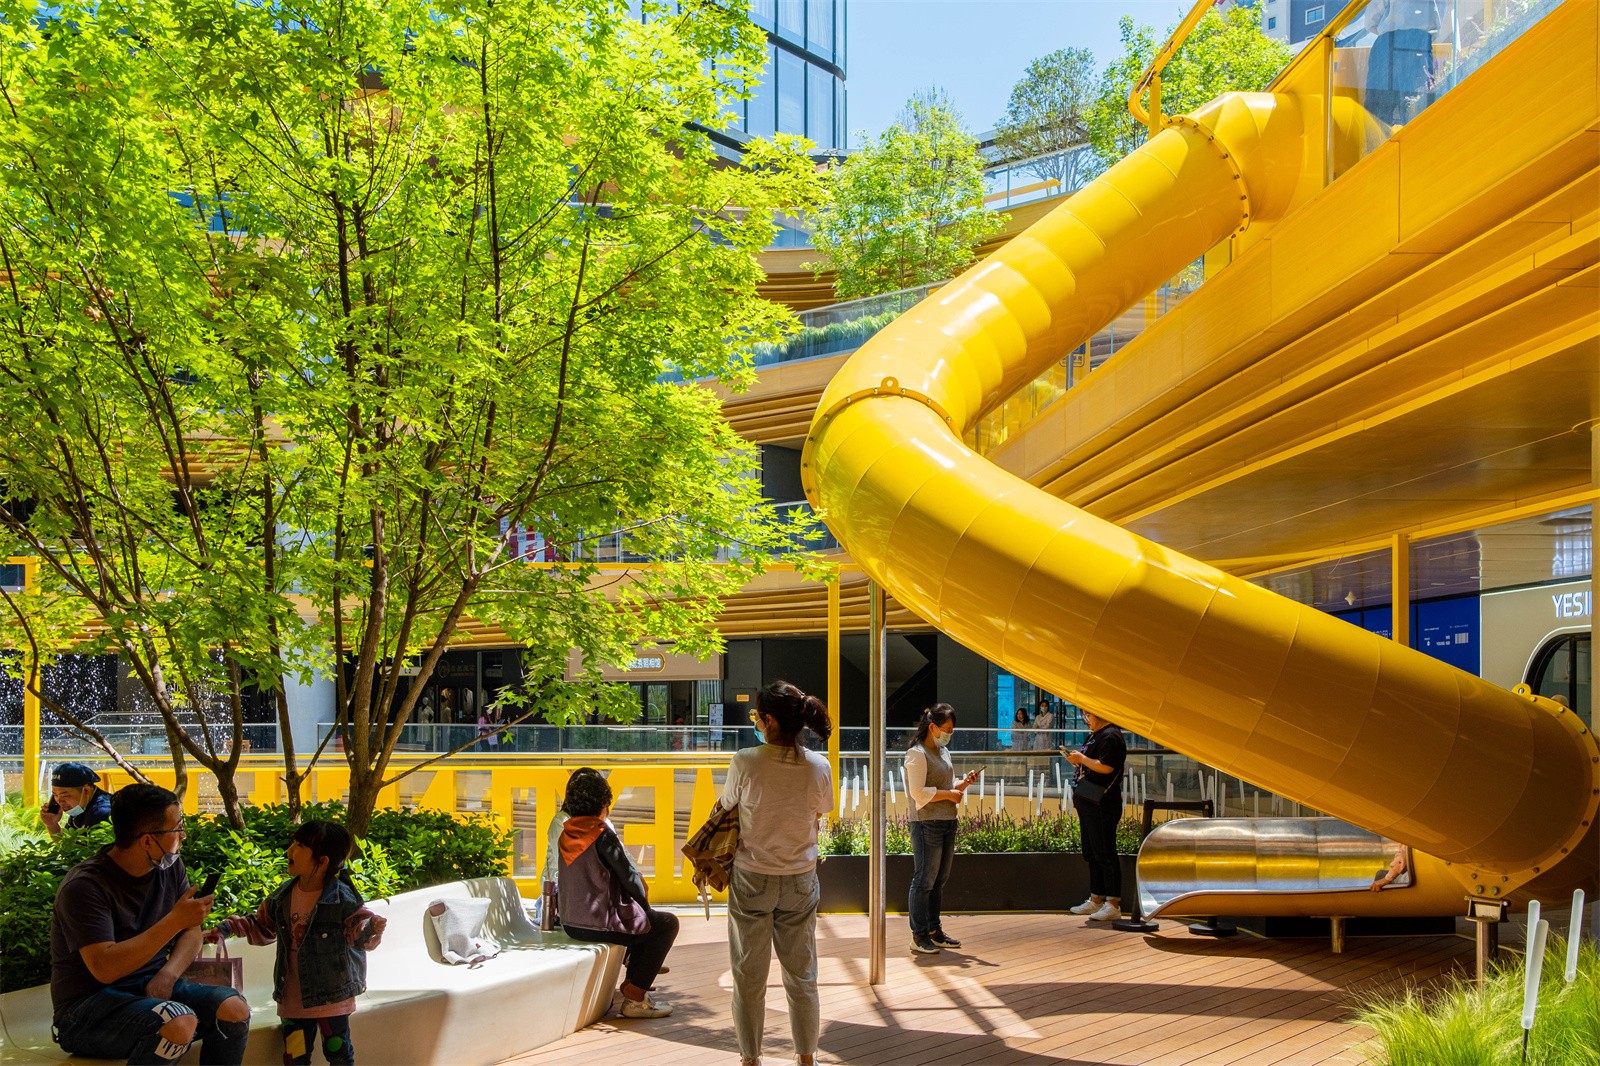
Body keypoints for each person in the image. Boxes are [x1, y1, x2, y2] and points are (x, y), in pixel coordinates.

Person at [49, 783, 250, 1065]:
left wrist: (168, 975)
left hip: (152, 986)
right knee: (177, 1022)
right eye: (177, 828)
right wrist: (175, 920)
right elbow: (105, 967)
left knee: (234, 1009)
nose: (183, 835)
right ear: (147, 841)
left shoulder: (169, 866)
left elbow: (191, 931)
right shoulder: (85, 886)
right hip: (87, 1010)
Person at [720, 680, 834, 1066]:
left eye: (757, 716)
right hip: (801, 877)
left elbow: (726, 804)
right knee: (802, 976)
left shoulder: (746, 761)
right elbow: (820, 812)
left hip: (752, 876)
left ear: (768, 720)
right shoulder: (819, 766)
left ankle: (750, 1059)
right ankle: (806, 1058)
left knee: (748, 978)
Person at [212, 820, 385, 1065]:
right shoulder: (283, 896)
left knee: (339, 1054)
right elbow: (261, 925)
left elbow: (356, 933)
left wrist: (371, 928)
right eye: (293, 842)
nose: (290, 850)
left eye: (300, 846)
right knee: (295, 1057)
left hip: (332, 998)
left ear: (322, 861)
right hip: (292, 1000)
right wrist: (226, 928)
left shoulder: (342, 898)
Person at [555, 769, 680, 1019]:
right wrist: (645, 908)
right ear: (603, 804)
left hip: (570, 924)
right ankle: (636, 996)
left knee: (645, 923)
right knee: (665, 923)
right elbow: (630, 878)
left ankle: (633, 984)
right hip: (598, 924)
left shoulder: (565, 834)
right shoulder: (601, 835)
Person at [903, 704, 979, 955]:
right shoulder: (916, 754)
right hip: (926, 823)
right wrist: (948, 794)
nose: (949, 734)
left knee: (938, 880)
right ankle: (919, 935)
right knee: (924, 879)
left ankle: (934, 930)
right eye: (946, 729)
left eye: (951, 730)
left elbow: (948, 785)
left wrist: (964, 783)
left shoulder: (943, 751)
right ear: (932, 727)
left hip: (947, 820)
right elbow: (917, 793)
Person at [1065, 709, 1127, 922]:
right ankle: (1096, 899)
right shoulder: (1096, 735)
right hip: (1089, 802)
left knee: (1105, 852)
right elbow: (1092, 763)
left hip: (1103, 803)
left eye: (1088, 716)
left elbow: (1106, 767)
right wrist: (1078, 760)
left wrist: (1081, 758)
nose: (1086, 720)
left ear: (1099, 714)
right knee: (1092, 852)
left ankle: (1113, 903)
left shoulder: (1111, 736)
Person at [1364, 0, 1442, 126]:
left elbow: (1371, 20)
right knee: (1417, 106)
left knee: (1379, 113)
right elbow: (1436, 20)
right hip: (1420, 42)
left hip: (1388, 42)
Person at [41, 761, 113, 838]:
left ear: (86, 790)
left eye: (65, 796)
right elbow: (66, 843)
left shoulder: (103, 812)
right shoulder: (80, 807)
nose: (59, 801)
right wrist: (52, 825)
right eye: (55, 795)